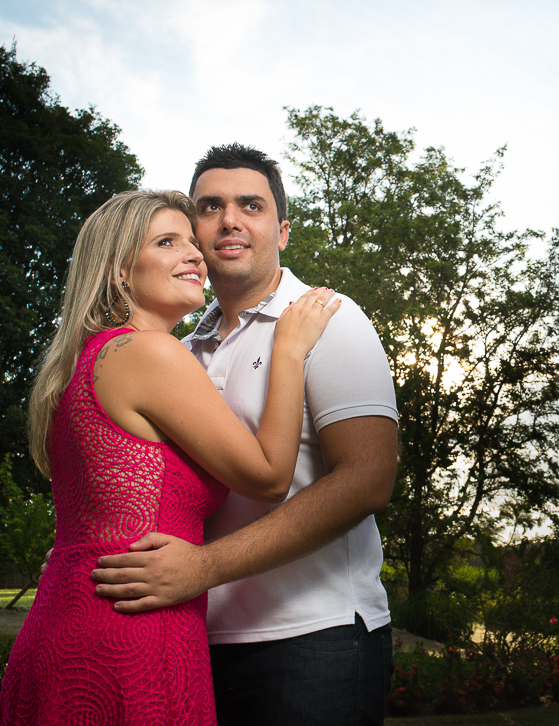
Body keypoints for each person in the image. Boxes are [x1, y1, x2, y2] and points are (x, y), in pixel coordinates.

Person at [0, 190, 341, 725]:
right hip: (129, 632)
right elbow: (270, 476)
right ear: (118, 272)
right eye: (166, 242)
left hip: (82, 613)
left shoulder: (90, 361)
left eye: (190, 241)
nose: (195, 254)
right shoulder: (147, 352)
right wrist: (289, 349)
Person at [90, 144, 400, 725]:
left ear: (281, 231)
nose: (230, 219)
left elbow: (367, 481)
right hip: (192, 639)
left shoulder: (329, 318)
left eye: (250, 205)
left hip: (314, 639)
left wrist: (204, 568)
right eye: (210, 207)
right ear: (193, 233)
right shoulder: (178, 351)